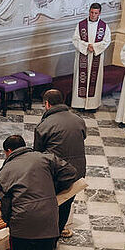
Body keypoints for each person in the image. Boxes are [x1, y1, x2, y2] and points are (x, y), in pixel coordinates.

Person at [0, 135, 79, 250]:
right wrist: (53, 189)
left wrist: (8, 220)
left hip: (21, 219)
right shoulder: (45, 158)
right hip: (48, 215)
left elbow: (5, 202)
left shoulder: (4, 172)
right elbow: (71, 173)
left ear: (9, 151)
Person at [33, 89, 86, 239]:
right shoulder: (78, 120)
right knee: (67, 202)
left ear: (47, 104)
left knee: (50, 204)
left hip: (56, 172)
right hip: (77, 171)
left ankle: (49, 239)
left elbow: (38, 154)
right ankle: (59, 230)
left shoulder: (44, 126)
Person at [72, 2, 111, 111]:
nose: (93, 15)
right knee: (81, 79)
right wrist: (86, 46)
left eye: (96, 13)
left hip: (95, 56)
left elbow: (107, 41)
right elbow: (75, 39)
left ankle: (92, 105)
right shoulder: (81, 25)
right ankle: (79, 104)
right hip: (83, 55)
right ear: (89, 12)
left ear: (99, 13)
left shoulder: (104, 27)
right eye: (92, 12)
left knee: (95, 79)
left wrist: (94, 47)